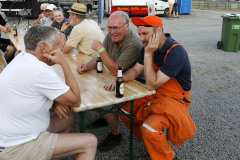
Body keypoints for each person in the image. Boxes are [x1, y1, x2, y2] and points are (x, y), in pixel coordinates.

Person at [104, 15, 196, 159]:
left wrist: (148, 54)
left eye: (145, 34)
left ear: (158, 31)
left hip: (176, 100)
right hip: (156, 94)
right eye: (139, 34)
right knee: (125, 110)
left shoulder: (176, 53)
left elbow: (151, 84)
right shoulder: (148, 47)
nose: (141, 39)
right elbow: (135, 71)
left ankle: (168, 157)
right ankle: (152, 144)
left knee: (149, 128)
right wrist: (119, 79)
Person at [0, 25, 97, 160]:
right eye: (57, 44)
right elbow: (75, 100)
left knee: (67, 119)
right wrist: (64, 63)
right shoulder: (39, 70)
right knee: (90, 142)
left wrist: (56, 101)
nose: (61, 49)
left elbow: (32, 90)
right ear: (44, 47)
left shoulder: (24, 56)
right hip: (15, 146)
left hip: (13, 132)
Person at [77, 11, 144, 151]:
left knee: (107, 101)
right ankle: (105, 118)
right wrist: (87, 66)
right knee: (91, 91)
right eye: (110, 28)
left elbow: (115, 70)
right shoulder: (111, 36)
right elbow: (100, 57)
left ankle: (115, 134)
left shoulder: (134, 43)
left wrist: (100, 48)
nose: (112, 32)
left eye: (116, 28)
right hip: (118, 79)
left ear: (127, 26)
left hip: (136, 83)